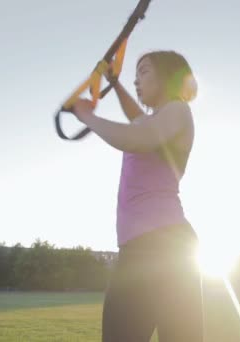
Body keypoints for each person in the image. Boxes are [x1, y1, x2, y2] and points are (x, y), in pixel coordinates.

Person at [71, 50, 202, 342]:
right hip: (146, 248)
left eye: (144, 72)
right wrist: (115, 84)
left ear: (170, 76)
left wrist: (87, 116)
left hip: (163, 247)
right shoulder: (158, 120)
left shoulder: (178, 110)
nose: (137, 81)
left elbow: (137, 137)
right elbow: (137, 119)